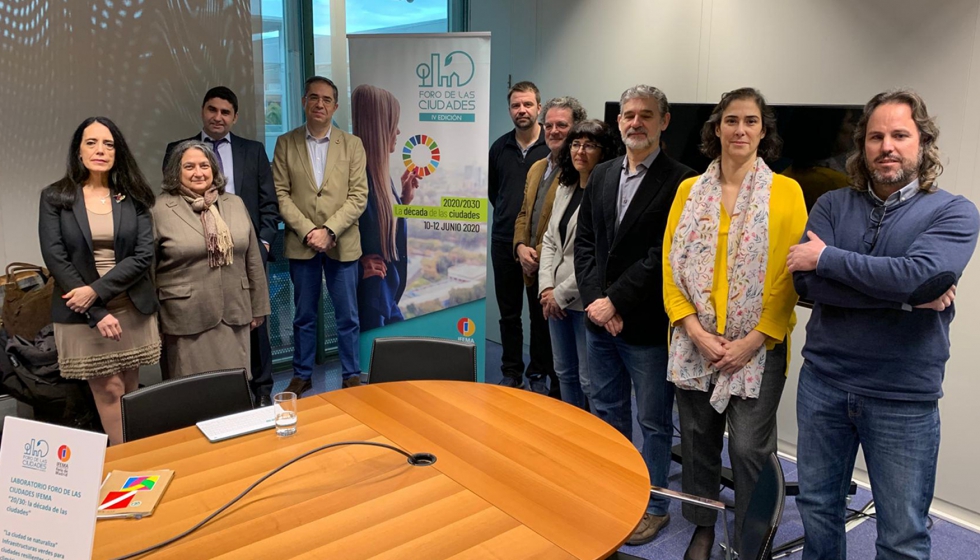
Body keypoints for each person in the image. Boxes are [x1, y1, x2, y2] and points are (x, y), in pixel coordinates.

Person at [788, 89, 979, 560]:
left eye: (899, 134)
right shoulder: (832, 204)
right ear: (862, 145)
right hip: (824, 384)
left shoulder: (955, 211)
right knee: (817, 509)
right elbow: (807, 287)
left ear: (922, 143)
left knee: (902, 533)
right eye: (876, 136)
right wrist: (907, 302)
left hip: (903, 397)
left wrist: (829, 258)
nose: (886, 146)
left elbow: (921, 276)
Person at [662, 88, 807, 559]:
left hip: (759, 346)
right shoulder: (689, 190)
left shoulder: (787, 191)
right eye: (730, 121)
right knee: (699, 443)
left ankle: (748, 534)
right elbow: (669, 265)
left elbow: (790, 275)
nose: (739, 130)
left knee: (747, 449)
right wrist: (696, 331)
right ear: (716, 128)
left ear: (763, 130)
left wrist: (752, 341)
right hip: (694, 342)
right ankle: (703, 525)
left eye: (750, 121)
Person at [574, 85, 696, 545]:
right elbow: (585, 244)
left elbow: (664, 254)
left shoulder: (682, 180)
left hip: (645, 325)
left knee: (654, 421)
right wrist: (596, 303)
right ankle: (613, 488)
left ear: (664, 121)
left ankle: (656, 504)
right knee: (606, 410)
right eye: (628, 115)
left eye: (646, 115)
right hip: (600, 320)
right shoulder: (603, 174)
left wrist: (617, 302)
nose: (635, 123)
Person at [38, 116, 160, 446]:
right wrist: (95, 308)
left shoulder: (133, 197)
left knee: (130, 389)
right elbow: (56, 259)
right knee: (110, 389)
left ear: (117, 152)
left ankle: (138, 459)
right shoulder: (55, 198)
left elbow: (142, 255)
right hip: (81, 312)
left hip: (130, 304)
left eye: (108, 144)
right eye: (91, 142)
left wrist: (96, 291)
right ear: (78, 151)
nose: (100, 150)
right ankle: (127, 465)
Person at [163, 86, 280, 407]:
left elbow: (269, 204)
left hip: (245, 257)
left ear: (235, 117)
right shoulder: (179, 150)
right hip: (194, 269)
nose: (218, 117)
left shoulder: (252, 151)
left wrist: (264, 245)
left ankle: (261, 389)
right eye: (212, 110)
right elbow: (174, 203)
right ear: (203, 111)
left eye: (225, 112)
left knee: (255, 330)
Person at [274, 76, 368, 395]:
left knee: (348, 316)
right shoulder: (285, 143)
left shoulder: (352, 144)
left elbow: (359, 195)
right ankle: (302, 373)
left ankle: (351, 374)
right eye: (313, 97)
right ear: (303, 101)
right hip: (302, 245)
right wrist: (308, 231)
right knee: (303, 316)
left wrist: (328, 231)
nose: (319, 104)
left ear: (335, 106)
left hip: (342, 243)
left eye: (327, 99)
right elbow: (280, 194)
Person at [153, 141, 270, 381]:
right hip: (185, 317)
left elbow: (253, 259)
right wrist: (152, 323)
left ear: (214, 170)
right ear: (176, 171)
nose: (198, 172)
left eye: (204, 165)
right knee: (191, 394)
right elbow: (148, 272)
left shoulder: (234, 203)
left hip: (234, 314)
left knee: (233, 388)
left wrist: (258, 307)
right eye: (189, 166)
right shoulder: (159, 209)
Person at [537, 119, 616, 410]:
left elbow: (597, 255)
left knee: (589, 381)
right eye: (576, 144)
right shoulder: (565, 186)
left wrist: (560, 294)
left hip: (584, 301)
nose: (580, 151)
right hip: (554, 300)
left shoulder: (607, 194)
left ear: (604, 152)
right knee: (564, 373)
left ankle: (592, 444)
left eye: (590, 145)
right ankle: (569, 436)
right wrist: (546, 287)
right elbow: (549, 239)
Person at [512, 96, 586, 396]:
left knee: (578, 372)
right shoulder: (537, 167)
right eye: (550, 125)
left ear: (577, 130)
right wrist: (519, 247)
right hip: (537, 272)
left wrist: (537, 256)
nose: (554, 131)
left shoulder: (581, 173)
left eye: (562, 126)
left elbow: (566, 234)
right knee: (547, 344)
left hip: (568, 280)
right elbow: (523, 213)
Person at [488, 81, 550, 390]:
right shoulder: (500, 147)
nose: (521, 110)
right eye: (516, 105)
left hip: (540, 247)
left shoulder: (552, 148)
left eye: (527, 104)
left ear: (539, 107)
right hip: (503, 243)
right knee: (508, 313)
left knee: (541, 313)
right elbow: (494, 193)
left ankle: (538, 371)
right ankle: (511, 370)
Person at [350, 84, 419, 330]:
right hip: (373, 299)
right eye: (393, 123)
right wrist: (358, 268)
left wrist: (403, 201)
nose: (398, 131)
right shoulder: (357, 178)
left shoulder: (381, 176)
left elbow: (384, 229)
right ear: (380, 127)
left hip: (385, 296)